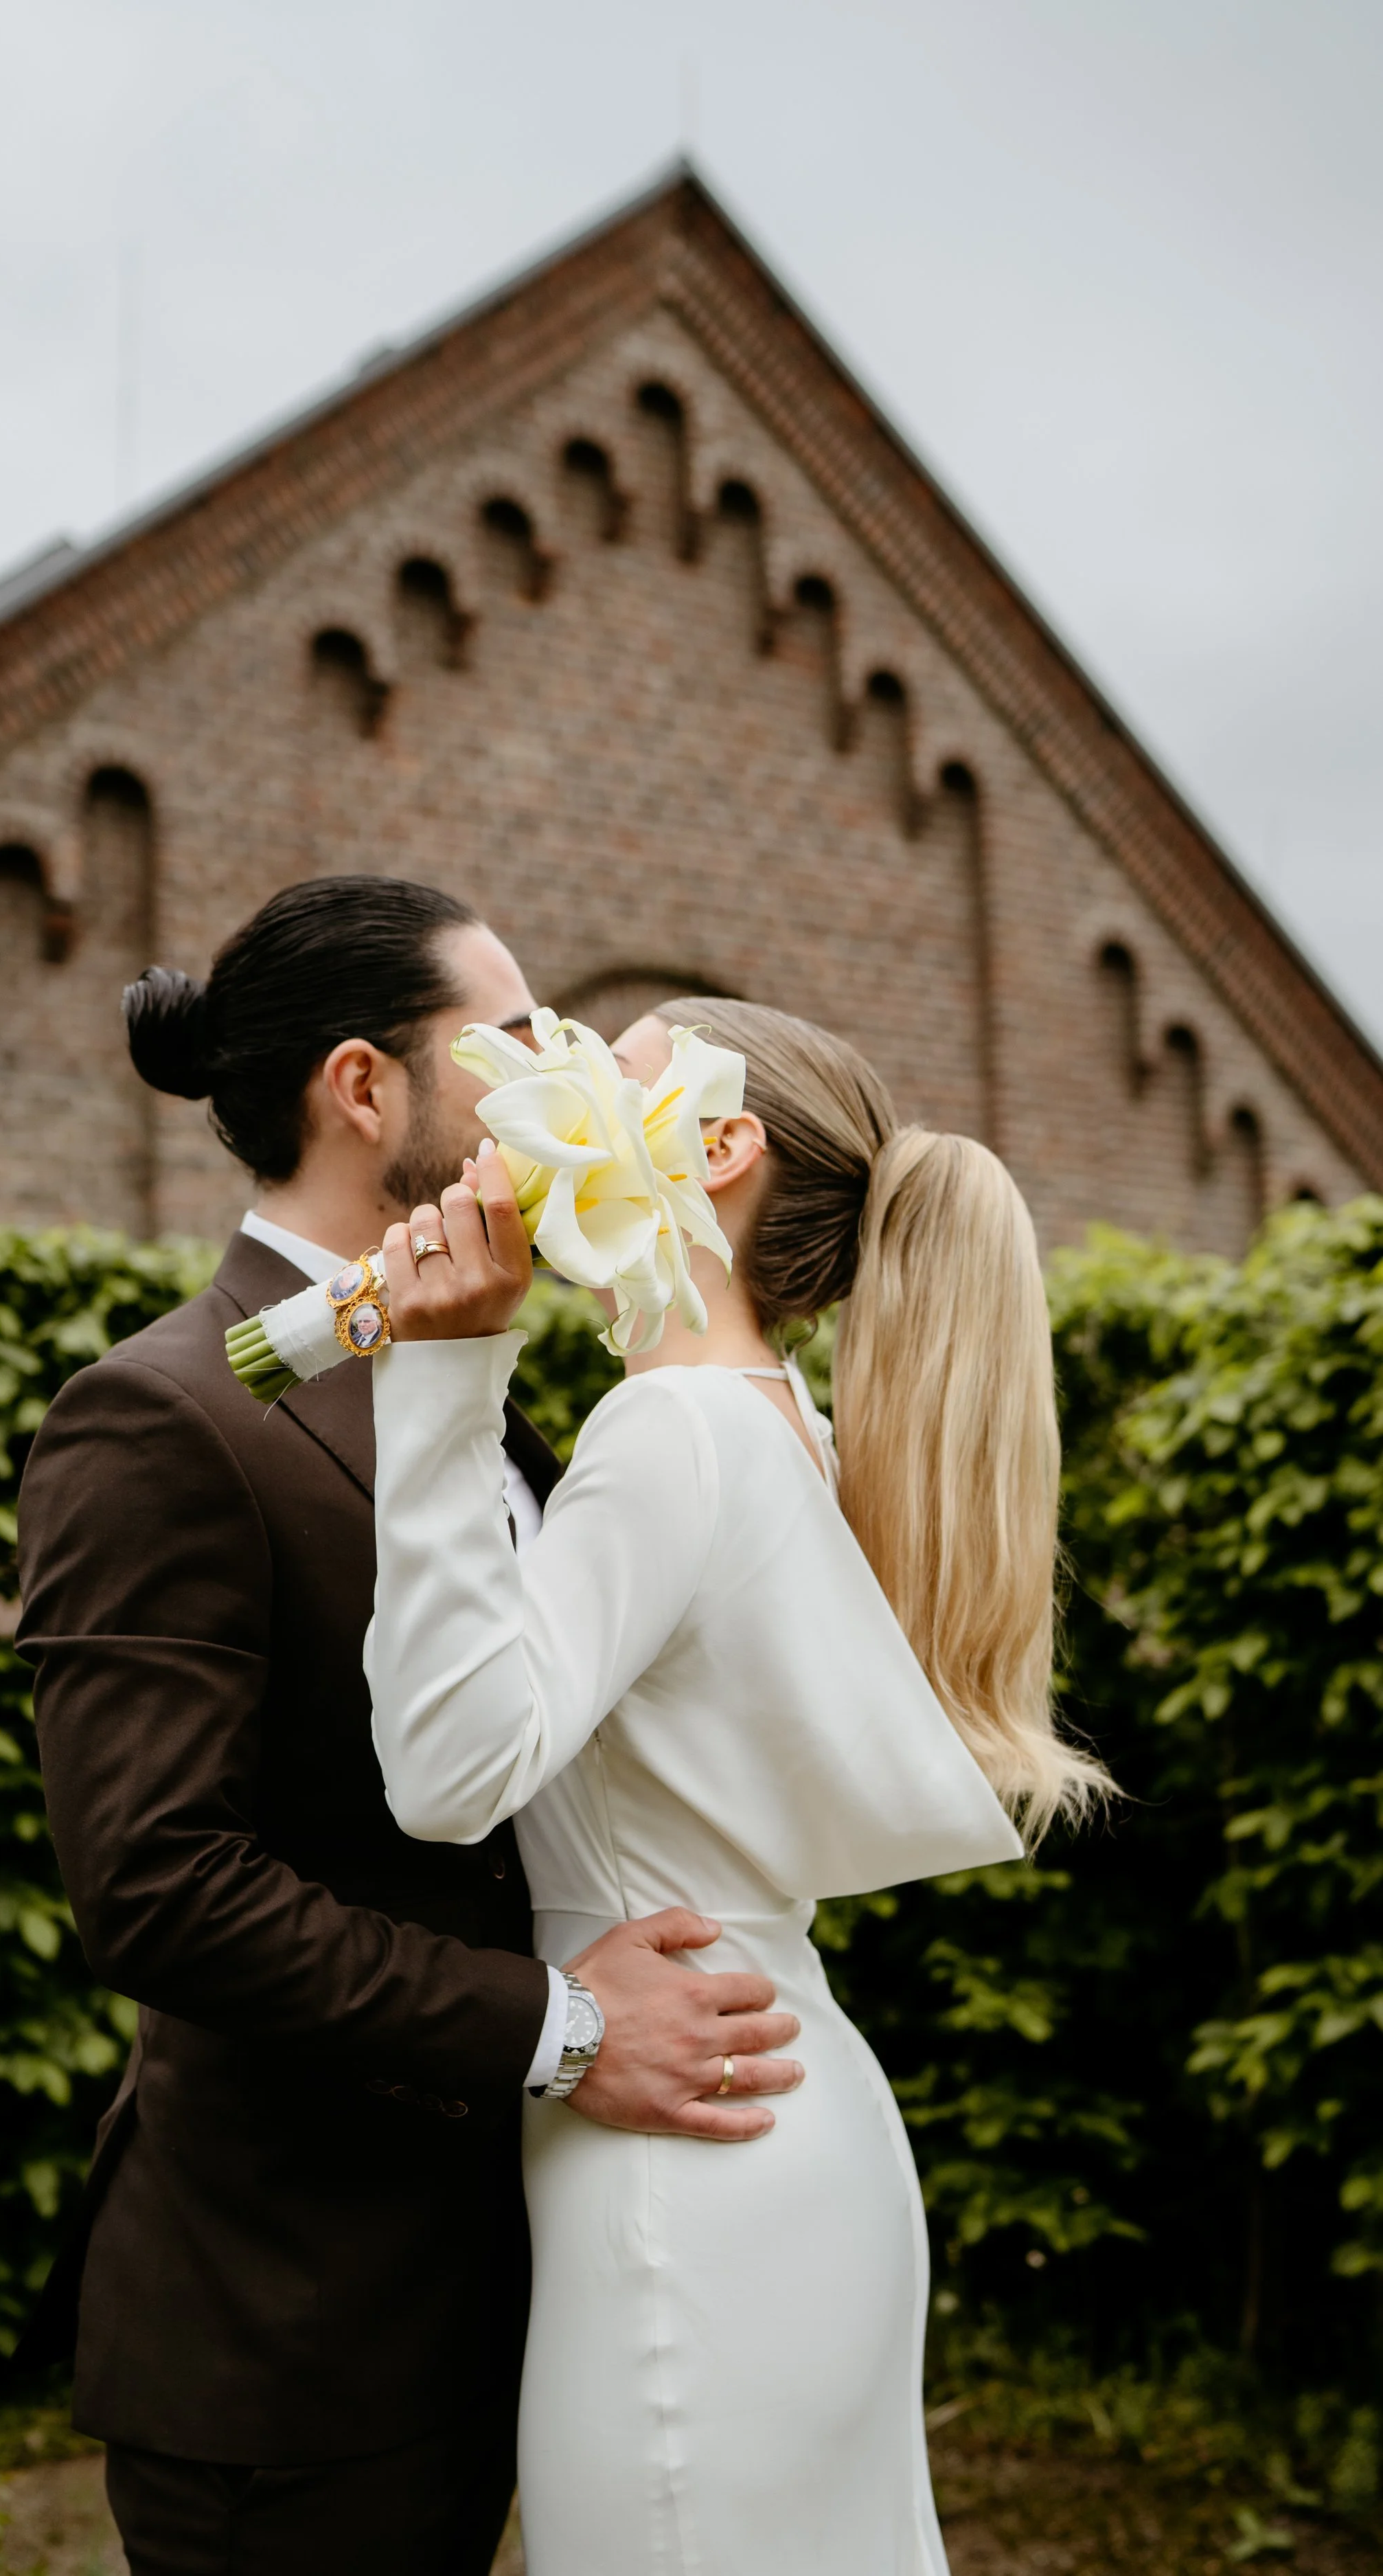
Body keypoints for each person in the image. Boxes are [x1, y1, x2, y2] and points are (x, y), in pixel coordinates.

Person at [14, 884, 802, 2576]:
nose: (550, 1072)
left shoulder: (479, 1388)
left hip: (517, 2296)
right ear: (363, 1088)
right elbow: (156, 1887)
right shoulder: (159, 1416)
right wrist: (566, 2027)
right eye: (510, 1041)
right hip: (292, 2341)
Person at [365, 997, 1112, 2576]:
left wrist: (443, 1374)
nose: (544, 1094)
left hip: (683, 2164)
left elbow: (445, 1770)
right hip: (785, 2115)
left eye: (605, 1072)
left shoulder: (671, 1431)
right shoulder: (787, 1427)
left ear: (715, 1148)